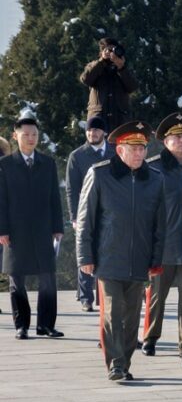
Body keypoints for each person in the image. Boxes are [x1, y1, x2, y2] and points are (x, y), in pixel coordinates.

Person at [76, 121, 165, 381]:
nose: (139, 153)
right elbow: (86, 219)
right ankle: (115, 363)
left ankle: (124, 362)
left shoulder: (155, 179)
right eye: (132, 148)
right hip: (108, 257)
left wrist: (156, 259)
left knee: (132, 316)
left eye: (142, 148)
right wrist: (85, 256)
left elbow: (160, 224)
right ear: (119, 150)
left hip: (139, 259)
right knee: (112, 312)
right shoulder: (100, 174)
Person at [0, 117, 65, 339]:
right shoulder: (6, 165)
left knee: (48, 278)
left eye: (34, 134)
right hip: (15, 231)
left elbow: (55, 198)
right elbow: (1, 200)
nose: (31, 138)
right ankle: (22, 325)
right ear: (15, 135)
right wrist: (2, 229)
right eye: (26, 134)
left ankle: (46, 325)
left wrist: (57, 226)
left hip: (43, 229)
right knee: (16, 280)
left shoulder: (47, 163)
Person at [140, 113, 182, 356]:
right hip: (162, 244)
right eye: (176, 137)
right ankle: (151, 338)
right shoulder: (153, 167)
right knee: (156, 296)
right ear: (165, 141)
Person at [66, 115, 113, 313]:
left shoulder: (114, 152)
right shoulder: (77, 156)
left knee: (109, 250)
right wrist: (74, 217)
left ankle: (106, 296)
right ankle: (86, 296)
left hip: (111, 211)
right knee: (86, 252)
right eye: (89, 130)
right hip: (86, 211)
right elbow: (71, 188)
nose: (92, 133)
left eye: (96, 130)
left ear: (104, 132)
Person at [79, 38, 138, 132]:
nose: (112, 54)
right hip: (99, 117)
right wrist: (102, 61)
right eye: (108, 50)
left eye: (114, 50)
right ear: (101, 52)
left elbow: (132, 86)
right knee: (98, 143)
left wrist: (121, 68)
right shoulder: (94, 66)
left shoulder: (124, 68)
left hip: (119, 118)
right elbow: (86, 80)